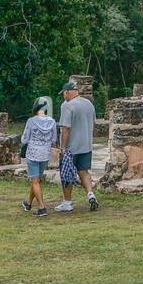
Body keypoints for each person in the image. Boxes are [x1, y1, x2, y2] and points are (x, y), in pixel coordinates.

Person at [56, 81, 98, 213]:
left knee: (66, 173)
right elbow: (94, 122)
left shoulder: (67, 106)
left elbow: (66, 128)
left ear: (67, 92)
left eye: (63, 93)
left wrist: (62, 148)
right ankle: (90, 194)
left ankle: (67, 202)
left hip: (71, 147)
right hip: (86, 145)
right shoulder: (89, 104)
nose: (63, 96)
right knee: (83, 171)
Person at [19, 98, 57, 217]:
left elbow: (24, 139)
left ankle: (41, 207)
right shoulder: (52, 122)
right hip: (45, 154)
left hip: (33, 153)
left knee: (35, 181)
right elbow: (54, 139)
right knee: (36, 180)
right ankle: (28, 203)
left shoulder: (31, 121)